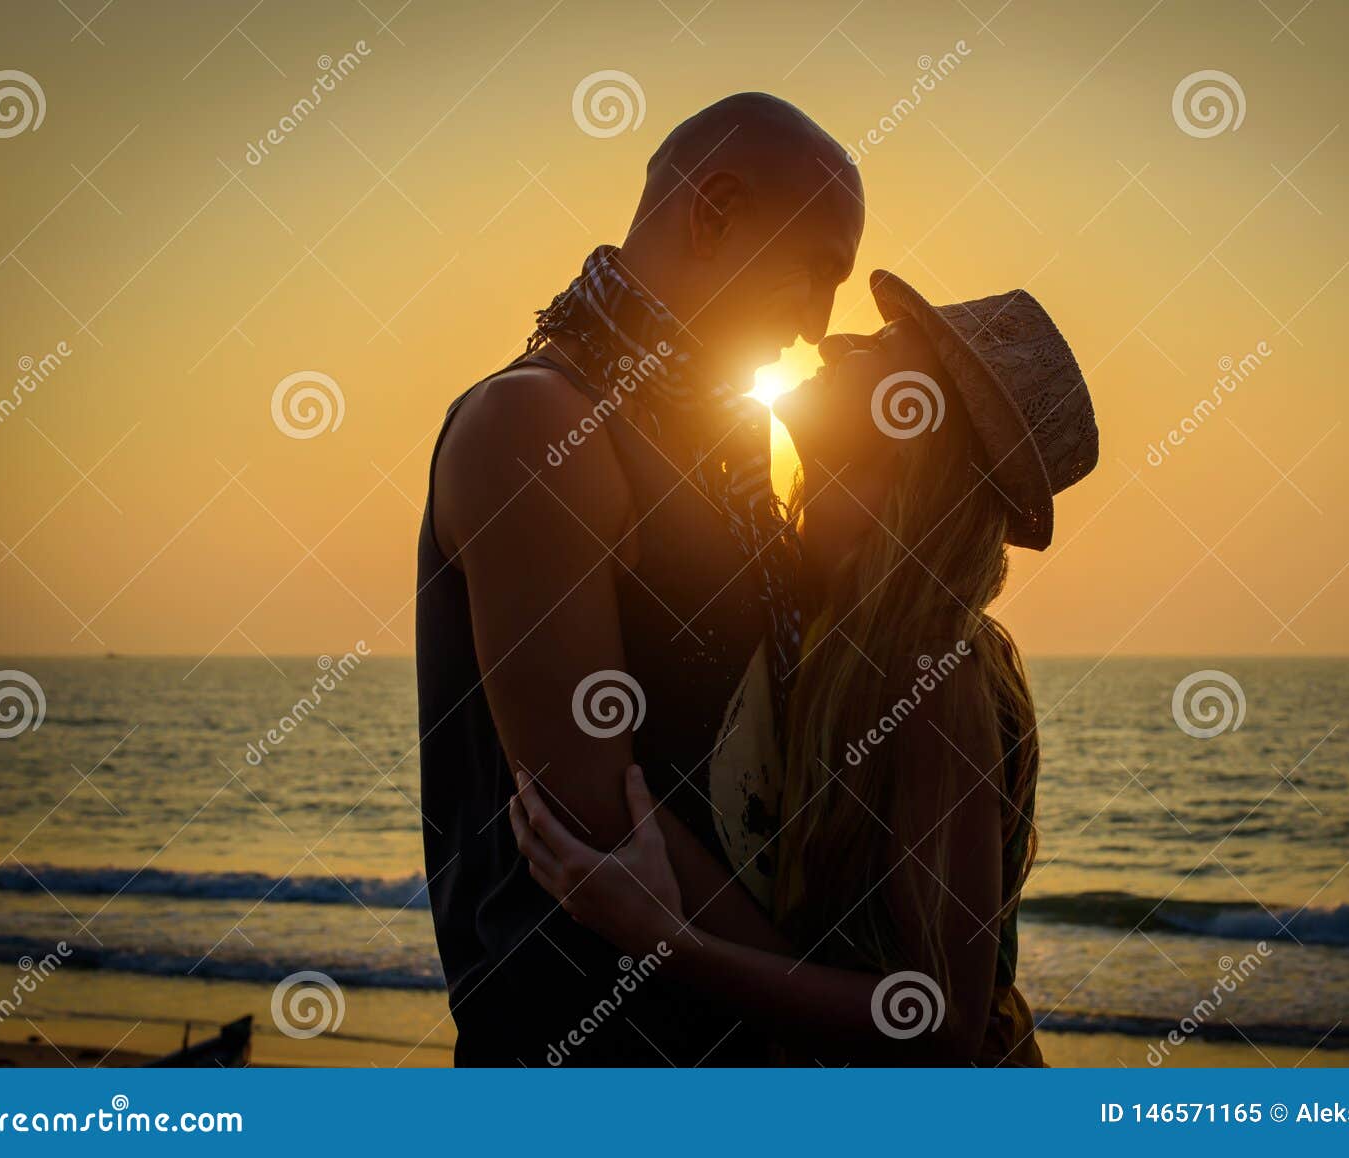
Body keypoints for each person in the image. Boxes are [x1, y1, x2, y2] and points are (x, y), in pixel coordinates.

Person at [510, 269, 1099, 1064]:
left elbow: (942, 1025)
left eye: (884, 345)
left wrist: (667, 942)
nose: (833, 340)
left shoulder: (934, 671)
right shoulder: (815, 612)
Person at [416, 93, 865, 1065]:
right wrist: (847, 1012)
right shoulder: (536, 430)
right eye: (817, 272)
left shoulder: (724, 452)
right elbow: (600, 820)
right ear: (714, 214)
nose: (821, 324)